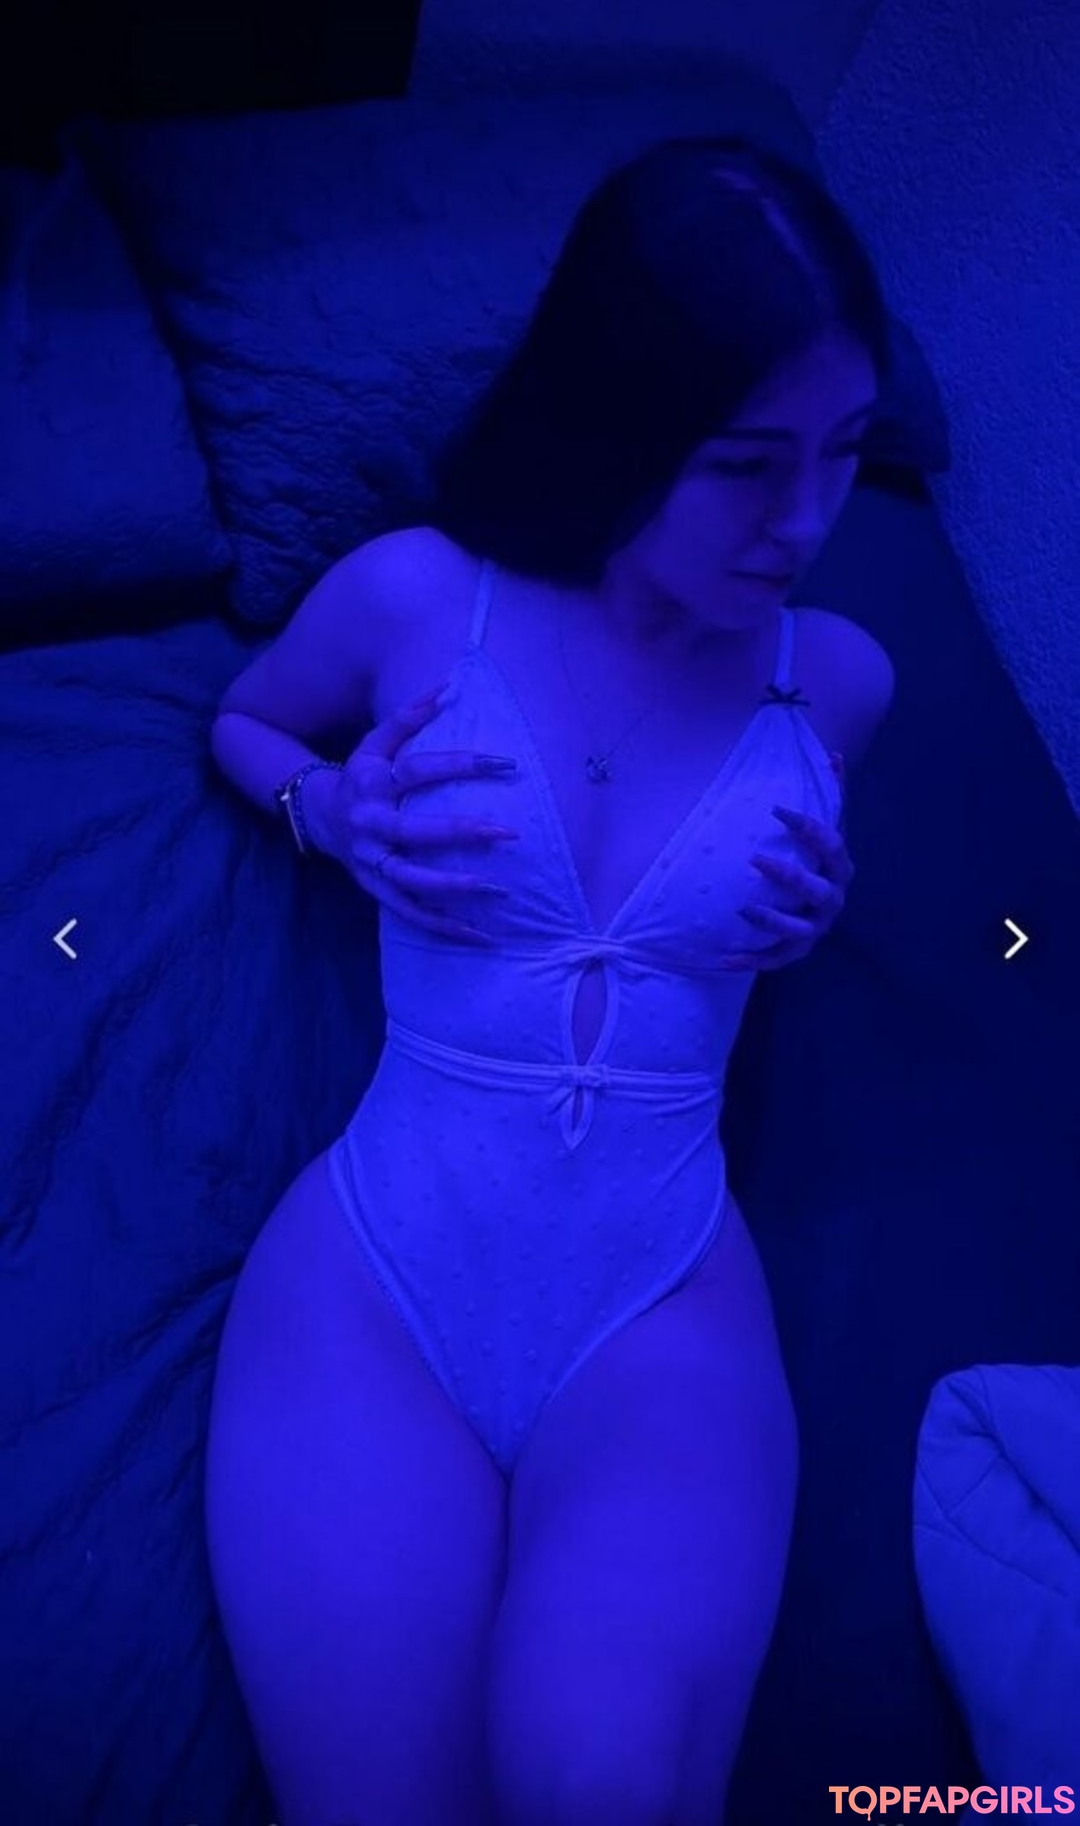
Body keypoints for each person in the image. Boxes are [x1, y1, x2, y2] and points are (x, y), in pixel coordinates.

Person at [203, 134, 897, 1826]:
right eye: (749, 465)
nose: (807, 521)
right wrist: (328, 811)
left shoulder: (841, 682)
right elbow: (243, 721)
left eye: (846, 452)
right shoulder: (418, 600)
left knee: (599, 1783)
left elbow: (766, 892)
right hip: (382, 1274)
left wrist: (813, 914)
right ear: (621, 425)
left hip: (656, 1294)